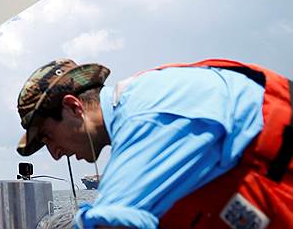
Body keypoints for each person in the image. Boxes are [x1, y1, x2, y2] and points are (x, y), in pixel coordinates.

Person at [15, 58, 293, 228]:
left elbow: (111, 224)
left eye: (49, 137)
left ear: (73, 107)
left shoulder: (148, 114)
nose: (54, 154)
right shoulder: (141, 104)